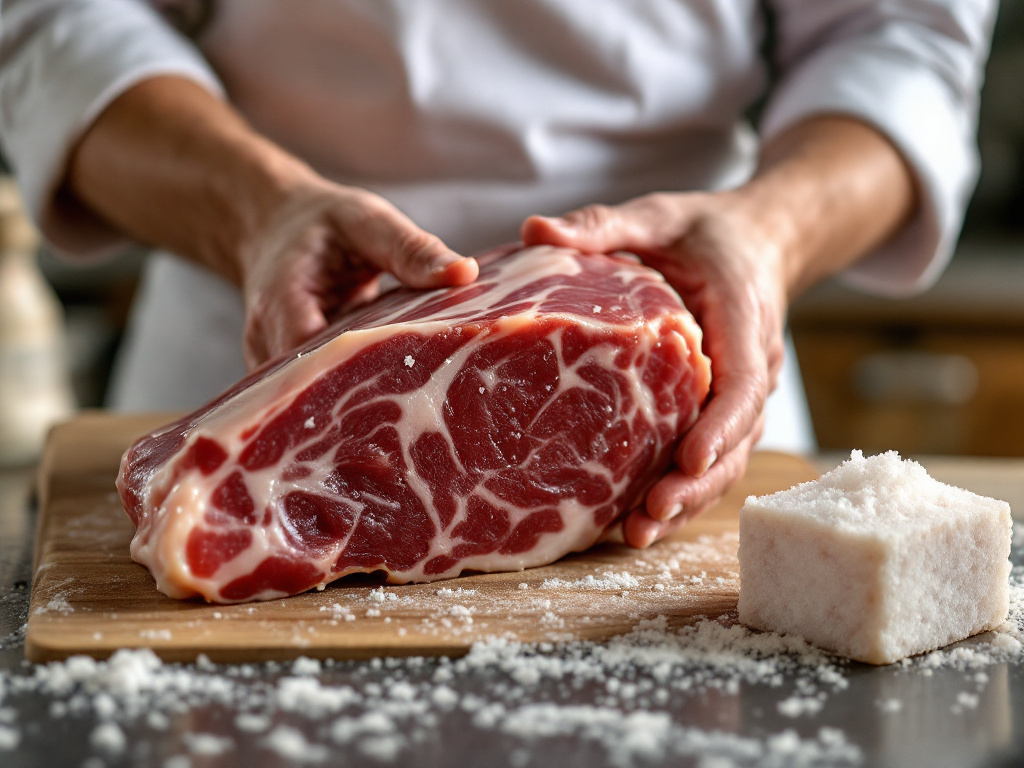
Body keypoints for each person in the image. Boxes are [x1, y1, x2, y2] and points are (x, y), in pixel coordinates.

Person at [0, 0, 996, 548]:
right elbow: (54, 21)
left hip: (670, 364)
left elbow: (901, 37)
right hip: (254, 344)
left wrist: (769, 231)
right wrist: (256, 211)